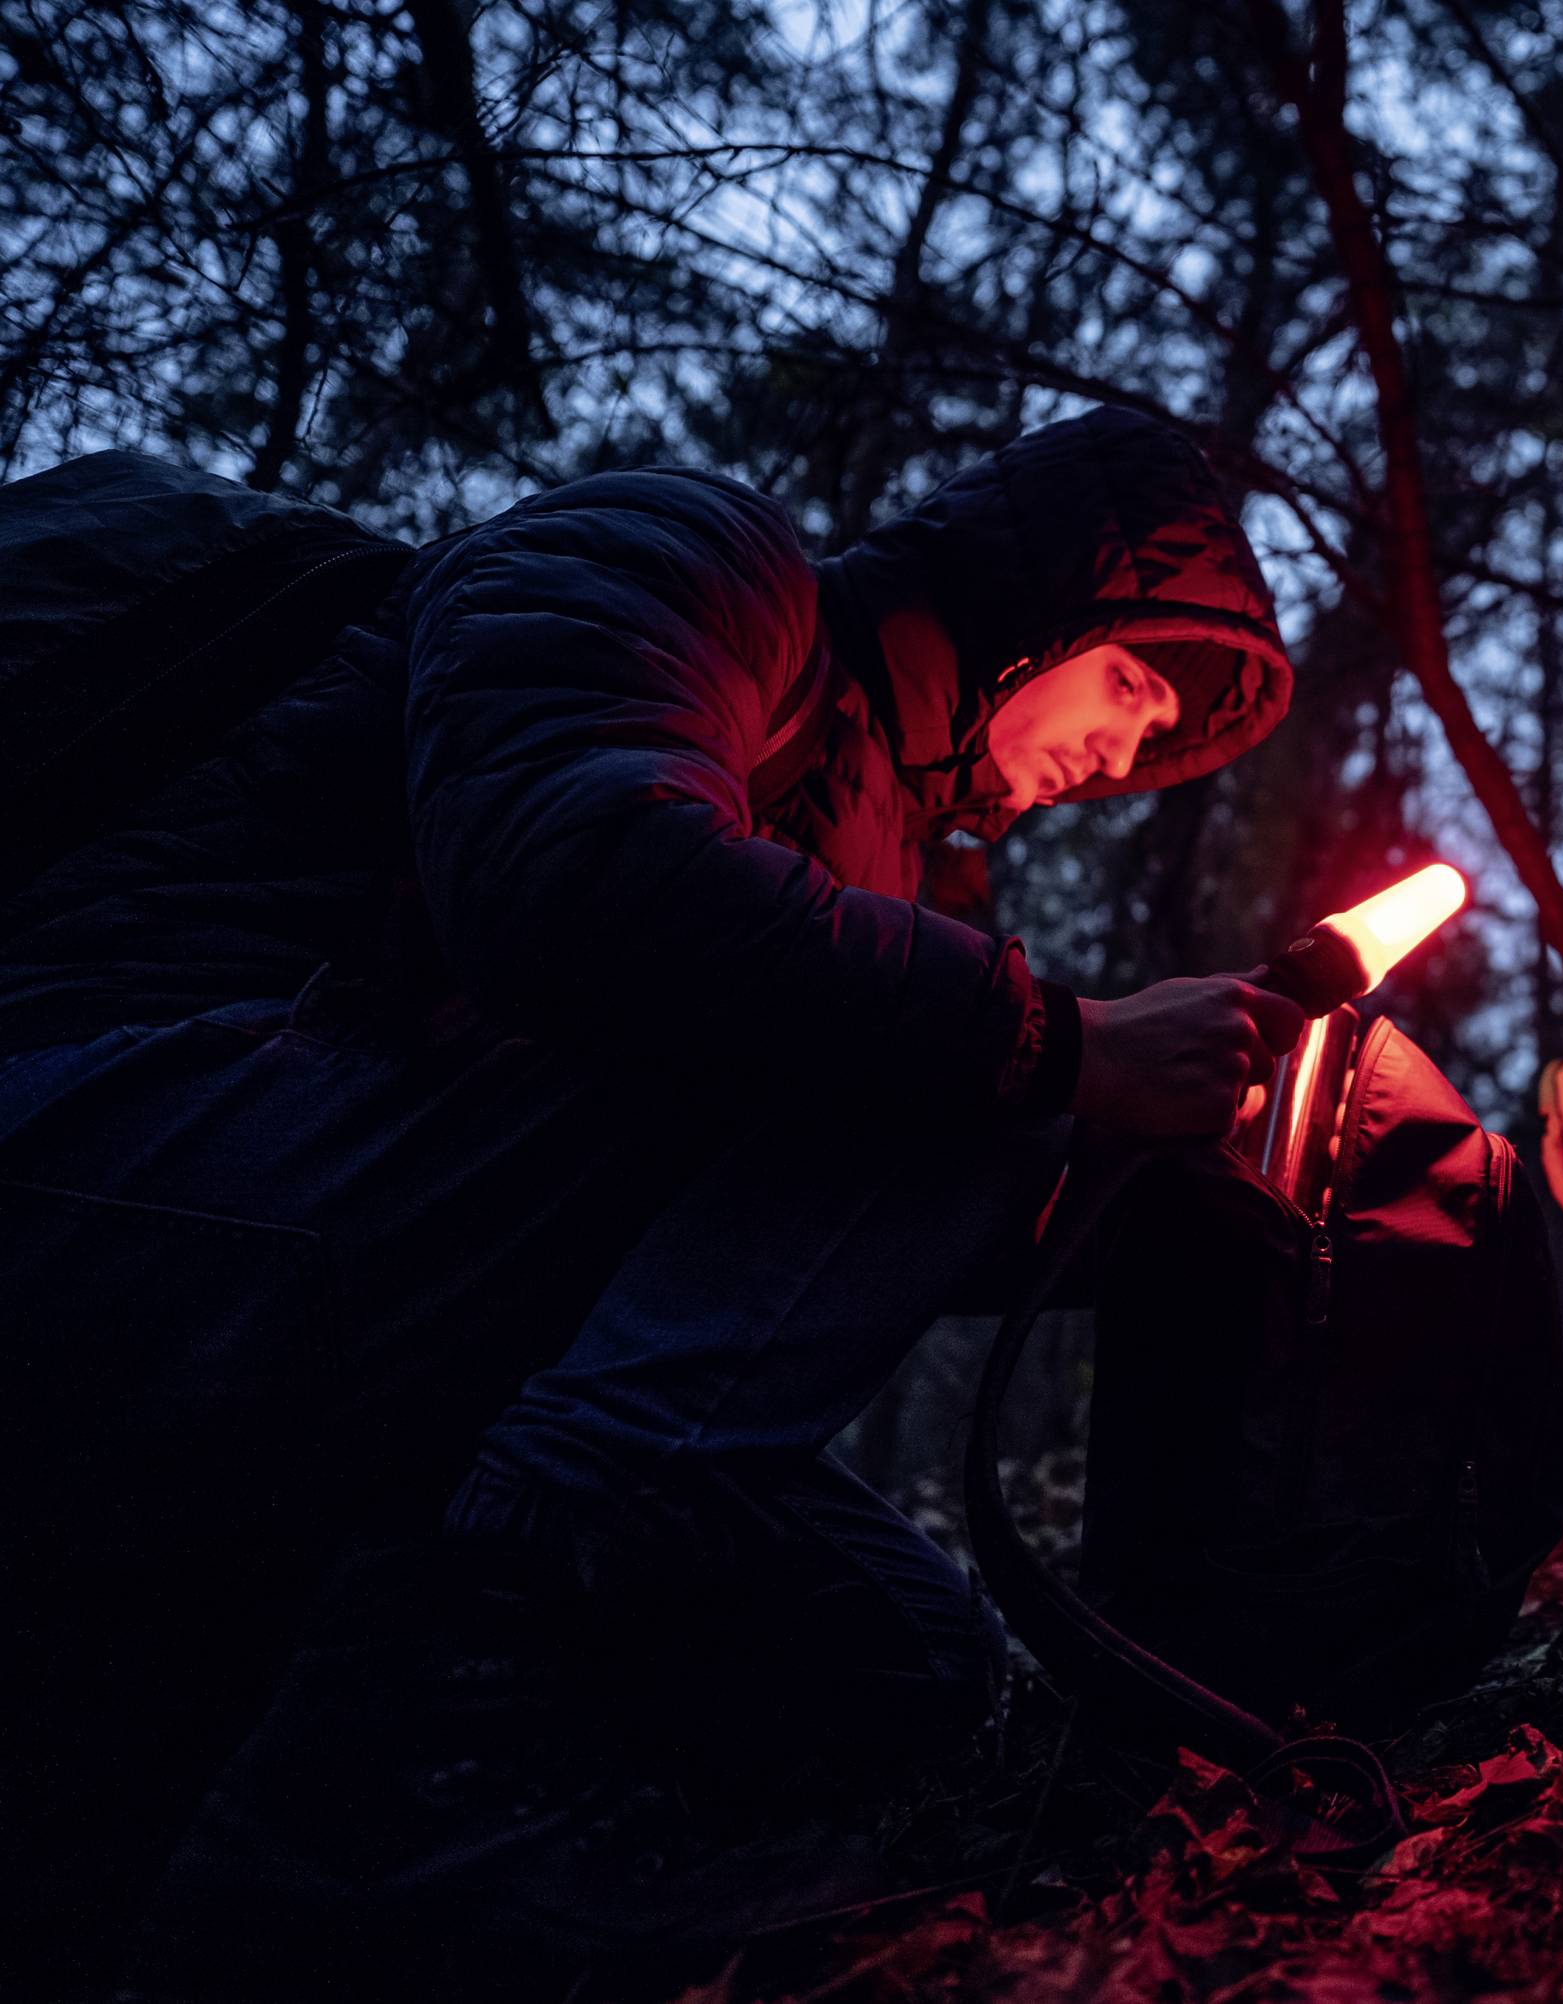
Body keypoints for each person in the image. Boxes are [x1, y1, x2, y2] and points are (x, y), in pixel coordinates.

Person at [0, 405, 1307, 1995]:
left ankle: (563, 1829)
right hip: (113, 1124)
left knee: (900, 1656)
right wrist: (1059, 1045)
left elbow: (783, 1231)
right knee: (955, 1054)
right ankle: (417, 1774)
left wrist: (1125, 1180)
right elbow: (574, 874)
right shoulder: (699, 562)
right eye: (1131, 683)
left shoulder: (897, 858)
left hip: (344, 1227)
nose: (1125, 751)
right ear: (1050, 601)